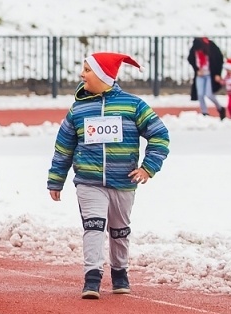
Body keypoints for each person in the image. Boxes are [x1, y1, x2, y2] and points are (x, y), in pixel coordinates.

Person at [46, 53, 171, 299]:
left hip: (124, 182)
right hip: (89, 183)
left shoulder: (133, 105)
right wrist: (56, 179)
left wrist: (148, 167)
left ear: (104, 75)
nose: (82, 75)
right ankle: (92, 277)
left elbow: (160, 135)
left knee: (119, 230)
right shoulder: (78, 110)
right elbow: (63, 148)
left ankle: (120, 273)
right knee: (93, 226)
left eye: (88, 70)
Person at [188, 35, 225, 119]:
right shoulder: (194, 49)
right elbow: (191, 59)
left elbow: (219, 59)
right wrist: (197, 69)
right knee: (200, 94)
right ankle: (204, 112)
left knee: (209, 94)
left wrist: (217, 74)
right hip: (200, 75)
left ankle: (220, 108)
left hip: (210, 75)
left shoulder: (211, 47)